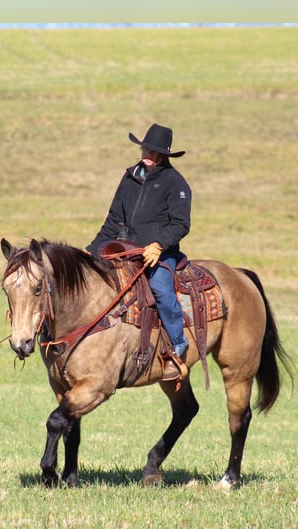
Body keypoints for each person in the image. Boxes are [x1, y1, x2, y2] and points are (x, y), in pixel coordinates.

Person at [87, 123, 192, 381]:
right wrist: (90, 254)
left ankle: (178, 345)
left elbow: (180, 224)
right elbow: (113, 219)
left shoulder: (175, 183)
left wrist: (158, 245)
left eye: (155, 151)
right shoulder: (129, 177)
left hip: (159, 252)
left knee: (161, 288)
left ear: (164, 155)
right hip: (124, 249)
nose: (148, 153)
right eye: (146, 147)